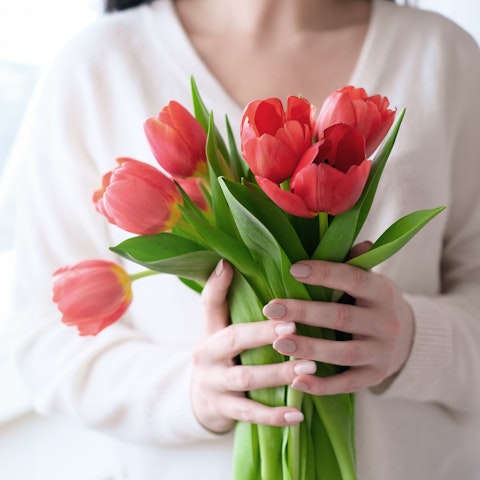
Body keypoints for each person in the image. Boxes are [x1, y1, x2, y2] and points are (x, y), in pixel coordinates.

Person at [10, 0, 480, 479]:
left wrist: (415, 340)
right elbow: (41, 339)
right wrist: (189, 392)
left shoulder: (442, 56)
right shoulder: (96, 66)